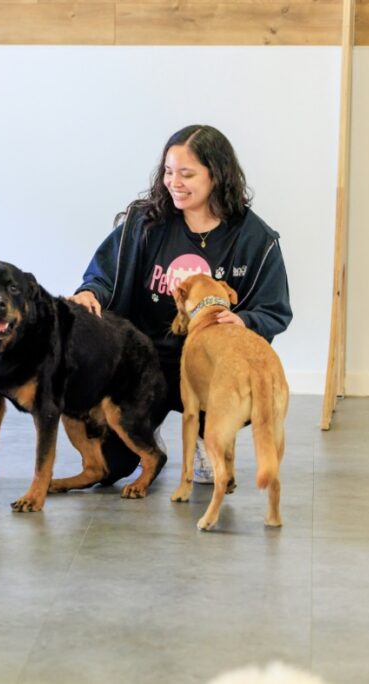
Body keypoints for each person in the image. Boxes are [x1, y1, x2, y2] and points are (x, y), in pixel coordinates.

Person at [70, 124, 292, 484]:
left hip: (209, 366)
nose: (175, 182)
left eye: (187, 174)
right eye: (169, 172)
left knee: (236, 389)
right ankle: (148, 426)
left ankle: (209, 437)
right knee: (112, 466)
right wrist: (90, 293)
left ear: (216, 175)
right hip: (144, 361)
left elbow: (274, 308)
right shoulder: (145, 223)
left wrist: (246, 321)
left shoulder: (255, 238)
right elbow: (104, 275)